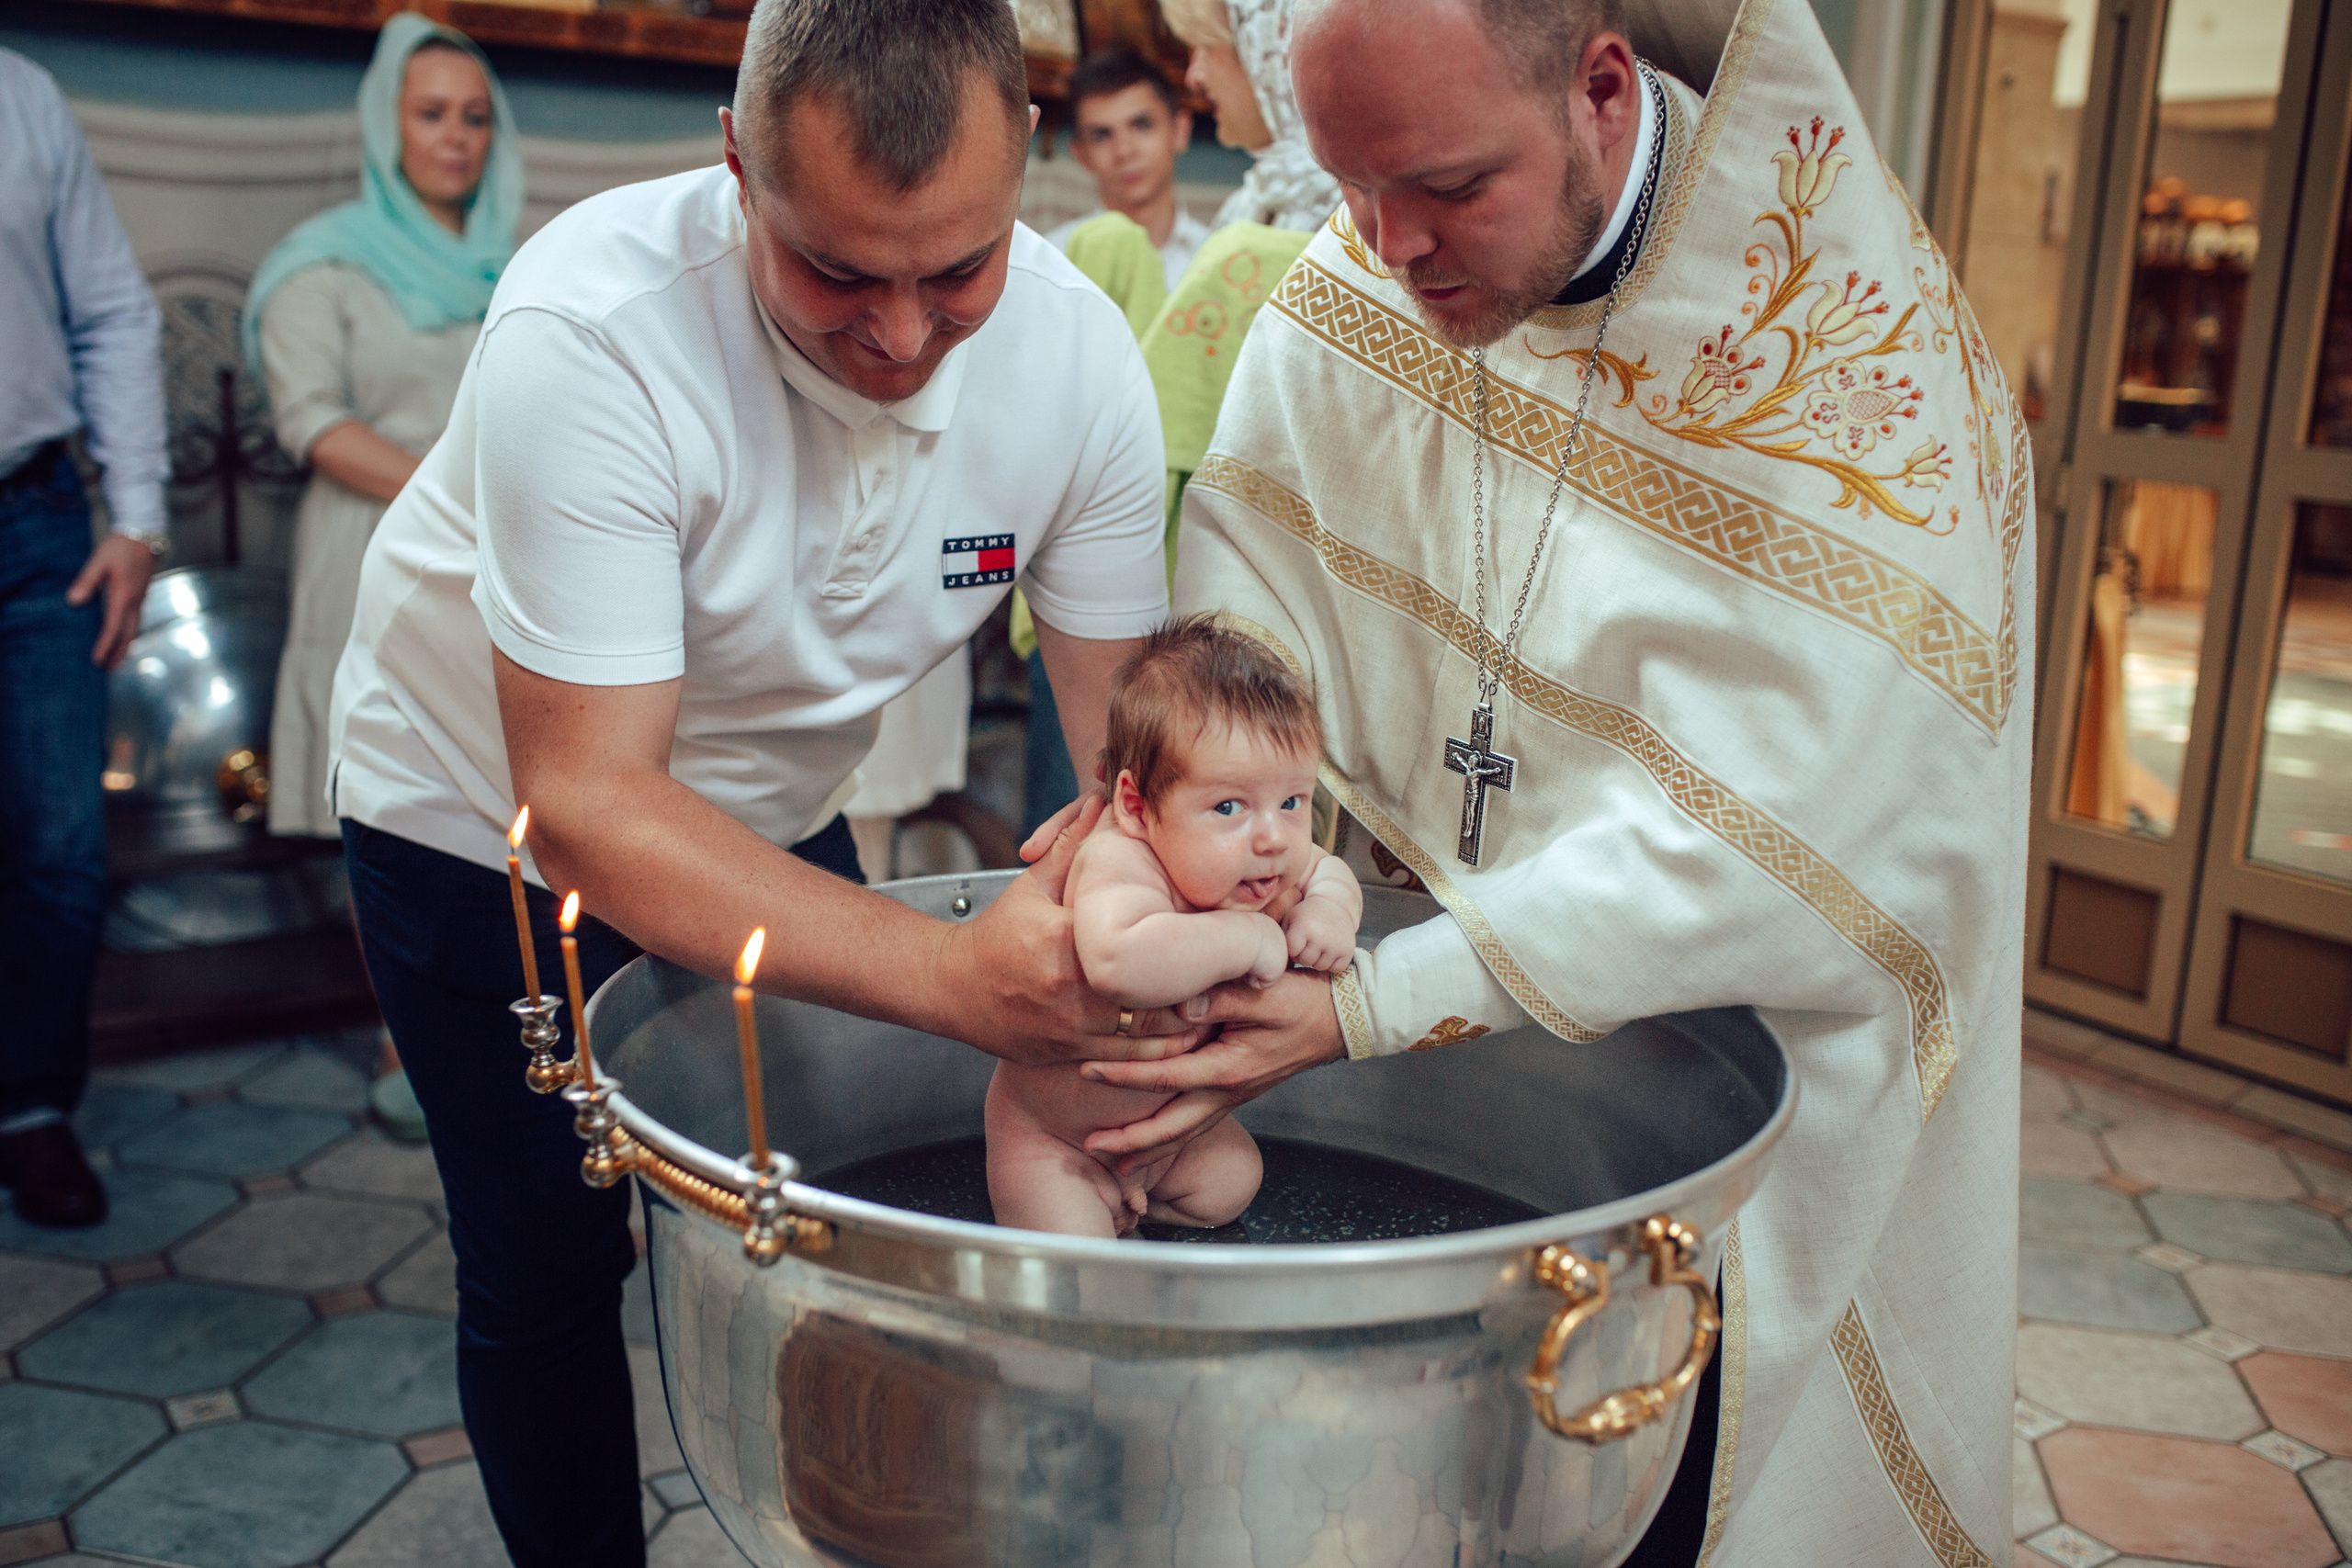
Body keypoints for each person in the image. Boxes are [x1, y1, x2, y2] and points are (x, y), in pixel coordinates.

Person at [1069, 0, 2032, 1562]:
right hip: (1416, 1094)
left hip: (1718, 1122)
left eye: (1447, 190)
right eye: (1353, 188)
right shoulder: (1373, 253)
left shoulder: (1865, 367)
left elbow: (1799, 825)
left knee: (1649, 1503)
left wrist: (1372, 998)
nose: (1391, 245)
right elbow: (1255, 562)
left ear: (1599, 90)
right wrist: (1241, 829)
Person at [327, 0, 1188, 1560]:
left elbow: (1136, 749)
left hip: (775, 809)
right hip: (477, 819)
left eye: (960, 270)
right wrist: (955, 972)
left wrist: (1183, 934)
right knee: (548, 1263)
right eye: (840, 272)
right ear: (737, 165)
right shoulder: (590, 329)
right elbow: (590, 798)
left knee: (851, 1219)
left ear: (1029, 170)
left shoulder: (1078, 362)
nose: (907, 334)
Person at [1020, 0, 1335, 838]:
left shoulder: (1285, 237)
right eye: (1102, 133)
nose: (1197, 74)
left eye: (1208, 52)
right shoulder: (1240, 223)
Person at [987, 616, 1359, 1237]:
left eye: (1292, 801)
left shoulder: (1265, 862)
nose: (1273, 837)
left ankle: (1139, 1199)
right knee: (1074, 1259)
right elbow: (1116, 957)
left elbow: (1331, 872)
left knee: (1233, 1180)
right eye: (1229, 807)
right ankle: (1097, 1218)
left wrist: (1329, 913)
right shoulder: (1121, 860)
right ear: (1136, 807)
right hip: (1058, 1141)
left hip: (1168, 1139)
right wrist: (1249, 938)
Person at [249, 15, 522, 844]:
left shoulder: (514, 266)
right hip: (376, 535)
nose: (456, 137)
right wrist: (453, 496)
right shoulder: (322, 263)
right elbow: (314, 424)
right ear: (385, 124)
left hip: (495, 543)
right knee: (381, 790)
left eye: (475, 117)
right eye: (430, 113)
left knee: (484, 803)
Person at [0, 50, 169, 1229]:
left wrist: (141, 516)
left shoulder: (25, 96)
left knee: (59, 846)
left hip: (34, 520)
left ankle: (31, 1110)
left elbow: (109, 305)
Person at [1044, 48, 1205, 295]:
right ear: (1080, 155)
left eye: (1142, 125)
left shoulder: (1217, 260)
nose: (1124, 151)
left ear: (1180, 131)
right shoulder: (1052, 263)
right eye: (1101, 135)